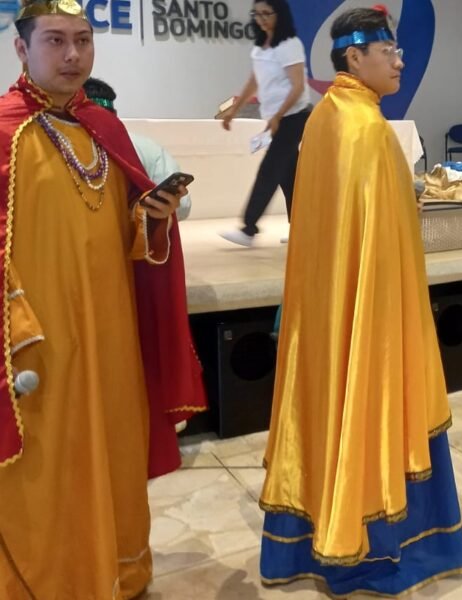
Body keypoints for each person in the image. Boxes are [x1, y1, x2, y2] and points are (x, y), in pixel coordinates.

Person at [258, 6, 462, 596]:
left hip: (326, 311)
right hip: (370, 312)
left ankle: (311, 538)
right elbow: (375, 246)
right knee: (370, 408)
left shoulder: (328, 117)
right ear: (354, 57)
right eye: (389, 51)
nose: (400, 61)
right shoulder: (367, 129)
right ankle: (374, 547)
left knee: (326, 409)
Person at [0, 1, 206, 598]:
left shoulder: (105, 130)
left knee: (113, 449)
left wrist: (154, 219)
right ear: (22, 48)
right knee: (48, 461)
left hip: (110, 332)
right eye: (55, 40)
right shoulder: (6, 132)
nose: (73, 55)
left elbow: (127, 239)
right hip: (38, 342)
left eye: (83, 40)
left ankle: (117, 570)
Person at [219, 0, 312, 246]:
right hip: (278, 118)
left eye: (266, 13)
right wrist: (234, 110)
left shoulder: (289, 45)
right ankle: (301, 228)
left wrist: (278, 116)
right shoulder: (261, 47)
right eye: (257, 14)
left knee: (269, 170)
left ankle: (248, 228)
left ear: (279, 14)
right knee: (288, 175)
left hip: (293, 116)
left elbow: (298, 87)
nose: (260, 19)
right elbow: (254, 81)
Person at [83, 77, 192, 221]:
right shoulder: (149, 148)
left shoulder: (63, 152)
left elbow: (182, 207)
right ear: (115, 114)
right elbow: (183, 207)